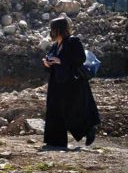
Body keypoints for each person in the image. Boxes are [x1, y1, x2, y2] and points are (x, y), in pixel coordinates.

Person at [42, 17, 100, 149]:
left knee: (72, 110)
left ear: (59, 29)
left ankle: (89, 130)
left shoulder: (73, 42)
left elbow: (80, 59)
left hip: (72, 83)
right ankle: (55, 141)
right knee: (55, 110)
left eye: (53, 29)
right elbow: (52, 64)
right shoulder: (55, 45)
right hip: (57, 83)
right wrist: (47, 63)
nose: (51, 31)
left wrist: (60, 61)